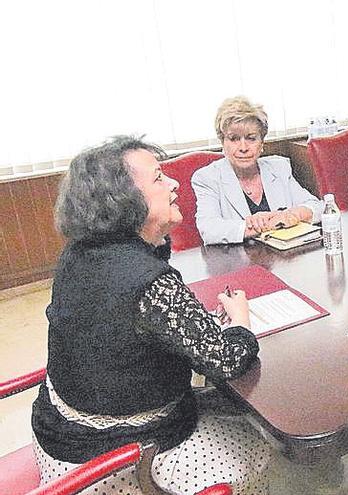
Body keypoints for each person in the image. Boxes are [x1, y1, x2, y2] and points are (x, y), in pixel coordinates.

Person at [32, 136, 272, 494]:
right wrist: (241, 321)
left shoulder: (79, 253)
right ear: (124, 199)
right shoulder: (148, 282)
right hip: (107, 458)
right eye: (159, 178)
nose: (174, 183)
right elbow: (226, 360)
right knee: (259, 445)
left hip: (57, 429)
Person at [193, 96, 323, 245]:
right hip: (237, 263)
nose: (243, 147)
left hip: (285, 258)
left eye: (251, 138)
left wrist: (290, 215)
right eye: (234, 139)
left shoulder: (278, 167)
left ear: (262, 142)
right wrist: (260, 225)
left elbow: (317, 206)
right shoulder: (207, 178)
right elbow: (209, 230)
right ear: (223, 142)